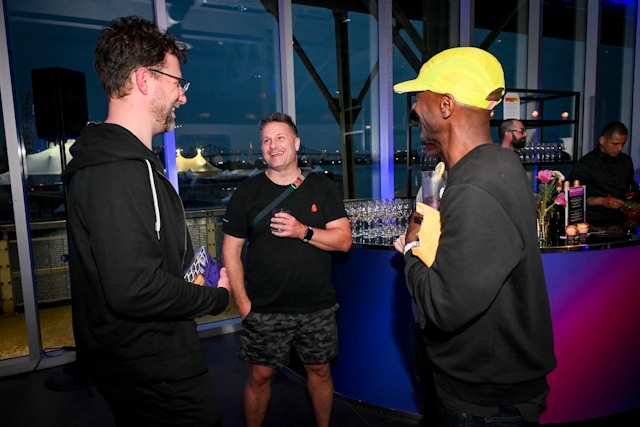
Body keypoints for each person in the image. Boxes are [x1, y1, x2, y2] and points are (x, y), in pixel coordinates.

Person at [61, 16, 231, 427]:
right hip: (154, 372)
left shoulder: (125, 163)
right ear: (143, 79)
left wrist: (197, 275)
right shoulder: (116, 172)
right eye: (177, 83)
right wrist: (216, 297)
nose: (183, 97)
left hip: (143, 364)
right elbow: (134, 289)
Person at [393, 47, 556, 426]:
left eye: (420, 96)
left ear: (446, 105)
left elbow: (443, 306)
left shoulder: (476, 185)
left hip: (484, 402)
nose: (415, 108)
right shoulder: (495, 166)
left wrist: (413, 248)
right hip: (489, 385)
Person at [221, 112, 352, 427]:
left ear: (295, 142)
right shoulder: (247, 193)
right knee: (260, 377)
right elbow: (231, 250)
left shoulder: (322, 186)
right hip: (265, 307)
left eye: (280, 137)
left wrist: (303, 231)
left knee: (320, 371)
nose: (272, 145)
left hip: (317, 306)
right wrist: (242, 303)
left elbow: (344, 241)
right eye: (266, 140)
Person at [567, 122, 638, 224]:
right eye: (615, 144)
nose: (620, 148)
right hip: (594, 222)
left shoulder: (626, 161)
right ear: (603, 140)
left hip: (621, 220)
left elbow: (631, 189)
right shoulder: (586, 164)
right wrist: (602, 201)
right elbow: (573, 196)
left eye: (623, 143)